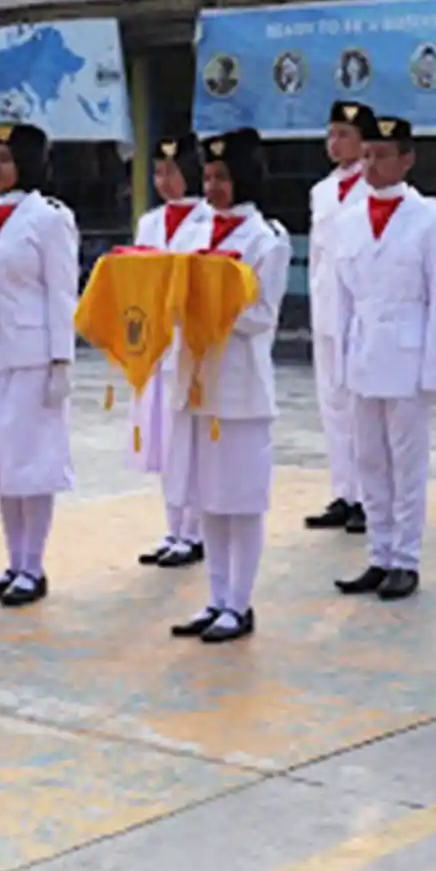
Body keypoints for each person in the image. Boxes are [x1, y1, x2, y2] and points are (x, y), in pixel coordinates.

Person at [329, 114, 436, 602]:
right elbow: (342, 298)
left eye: (383, 155)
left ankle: (406, 559)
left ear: (407, 159)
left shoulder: (433, 220)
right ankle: (377, 554)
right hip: (364, 353)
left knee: (407, 463)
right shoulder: (347, 220)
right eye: (367, 155)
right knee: (368, 460)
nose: (372, 164)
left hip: (409, 354)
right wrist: (340, 358)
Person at [166, 129, 291, 644]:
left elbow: (262, 316)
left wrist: (210, 300)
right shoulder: (192, 233)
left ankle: (240, 603)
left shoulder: (267, 240)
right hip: (195, 380)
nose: (213, 187)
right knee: (207, 498)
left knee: (240, 499)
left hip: (239, 385)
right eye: (209, 177)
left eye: (222, 177)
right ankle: (215, 597)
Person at [0, 122, 78, 608]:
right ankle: (12, 562)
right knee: (2, 464)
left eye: (6, 158)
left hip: (32, 355)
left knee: (33, 462)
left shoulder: (49, 217)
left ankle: (34, 566)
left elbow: (62, 290)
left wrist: (61, 360)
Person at [133, 134, 213, 568]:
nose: (164, 181)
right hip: (158, 341)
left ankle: (195, 530)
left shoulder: (205, 222)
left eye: (172, 171)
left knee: (191, 439)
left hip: (189, 341)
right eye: (159, 172)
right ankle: (173, 526)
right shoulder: (150, 223)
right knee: (164, 438)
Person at [306, 101, 371, 534]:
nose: (335, 143)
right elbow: (316, 256)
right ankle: (344, 491)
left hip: (362, 309)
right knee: (332, 403)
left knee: (361, 406)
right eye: (331, 134)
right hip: (327, 305)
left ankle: (368, 496)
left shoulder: (376, 186)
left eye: (344, 134)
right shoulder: (322, 191)